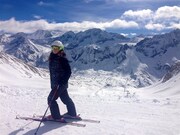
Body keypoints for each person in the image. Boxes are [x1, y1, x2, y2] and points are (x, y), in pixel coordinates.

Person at [47, 40, 77, 120]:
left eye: (56, 47)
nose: (54, 49)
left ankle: (56, 117)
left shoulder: (62, 59)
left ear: (60, 48)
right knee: (65, 98)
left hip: (59, 84)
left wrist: (62, 82)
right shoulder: (53, 57)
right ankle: (72, 114)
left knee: (51, 99)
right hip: (58, 84)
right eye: (53, 47)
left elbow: (68, 72)